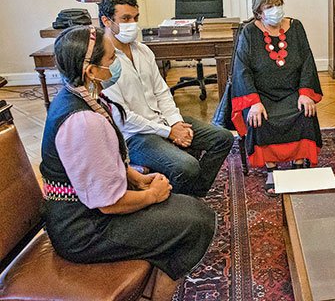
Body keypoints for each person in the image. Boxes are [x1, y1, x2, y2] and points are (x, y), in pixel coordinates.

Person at [41, 26, 216, 300]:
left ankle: (149, 287)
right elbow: (108, 204)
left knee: (191, 211)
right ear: (91, 71)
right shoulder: (83, 121)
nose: (117, 64)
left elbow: (98, 162)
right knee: (196, 223)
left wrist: (135, 178)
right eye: (111, 59)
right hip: (83, 230)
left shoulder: (79, 96)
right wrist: (150, 196)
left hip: (89, 214)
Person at [98, 0, 233, 197]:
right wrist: (169, 132)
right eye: (125, 19)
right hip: (136, 136)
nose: (132, 24)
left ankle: (194, 194)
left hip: (162, 121)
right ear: (106, 21)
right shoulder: (103, 64)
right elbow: (123, 118)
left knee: (222, 138)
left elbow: (162, 91)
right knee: (187, 166)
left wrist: (176, 123)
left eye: (135, 18)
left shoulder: (143, 51)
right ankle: (176, 200)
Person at [231, 0, 323, 196]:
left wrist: (305, 93)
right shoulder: (249, 32)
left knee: (304, 113)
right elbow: (241, 69)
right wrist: (253, 102)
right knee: (261, 119)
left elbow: (307, 60)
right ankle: (271, 169)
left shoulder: (296, 27)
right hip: (261, 95)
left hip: (292, 92)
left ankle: (298, 165)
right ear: (258, 12)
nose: (276, 10)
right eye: (270, 7)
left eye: (278, 5)